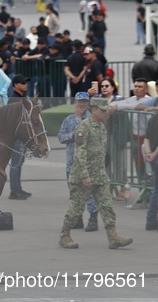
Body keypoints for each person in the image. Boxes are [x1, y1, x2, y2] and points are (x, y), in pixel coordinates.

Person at [59, 98, 133, 249]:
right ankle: (64, 235)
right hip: (83, 177)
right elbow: (80, 153)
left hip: (99, 175)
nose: (105, 113)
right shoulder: (83, 127)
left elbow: (100, 152)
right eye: (102, 110)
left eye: (106, 110)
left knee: (107, 207)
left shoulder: (102, 127)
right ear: (94, 110)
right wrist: (85, 175)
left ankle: (113, 237)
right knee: (77, 208)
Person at [58, 92, 99, 231]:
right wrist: (72, 134)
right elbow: (61, 137)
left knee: (89, 192)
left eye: (84, 102)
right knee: (74, 191)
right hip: (71, 162)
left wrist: (77, 122)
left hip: (87, 163)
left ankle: (93, 219)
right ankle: (78, 218)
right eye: (79, 102)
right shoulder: (68, 119)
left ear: (88, 104)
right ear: (74, 102)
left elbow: (84, 136)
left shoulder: (92, 120)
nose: (81, 105)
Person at [7, 74, 33, 200]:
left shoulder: (22, 98)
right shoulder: (14, 99)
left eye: (26, 83)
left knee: (19, 163)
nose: (25, 85)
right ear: (16, 85)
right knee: (16, 163)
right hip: (16, 137)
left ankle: (18, 188)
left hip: (21, 136)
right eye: (23, 83)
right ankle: (14, 190)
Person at [144, 94, 158, 232]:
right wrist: (156, 154)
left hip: (154, 157)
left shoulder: (152, 119)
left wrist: (149, 154)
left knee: (156, 189)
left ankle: (150, 222)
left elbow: (146, 139)